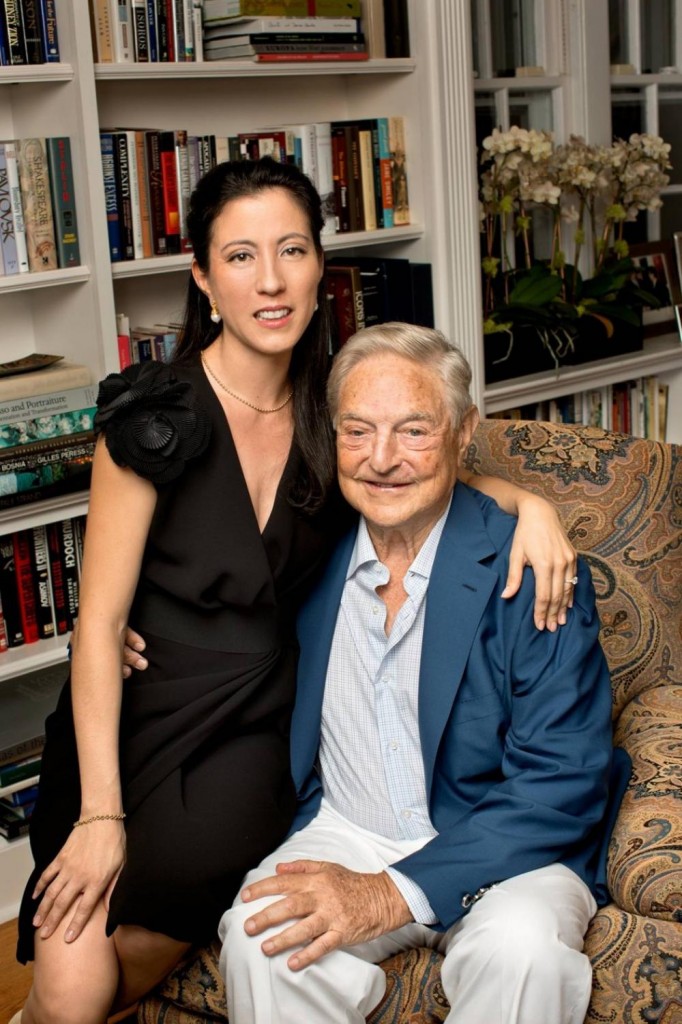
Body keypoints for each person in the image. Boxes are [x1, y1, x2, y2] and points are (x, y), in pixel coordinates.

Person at [15, 158, 575, 1024]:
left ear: (321, 267)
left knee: (114, 973)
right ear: (204, 279)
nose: (271, 281)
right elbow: (100, 624)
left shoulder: (338, 412)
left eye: (292, 250)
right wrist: (99, 818)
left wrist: (533, 507)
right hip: (135, 713)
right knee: (69, 985)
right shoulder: (154, 416)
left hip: (255, 730)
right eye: (240, 257)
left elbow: (433, 472)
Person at [219, 322, 631, 1024]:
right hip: (350, 827)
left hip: (507, 846)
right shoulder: (305, 551)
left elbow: (562, 779)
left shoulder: (533, 569)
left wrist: (389, 894)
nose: (381, 459)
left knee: (523, 952)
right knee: (262, 940)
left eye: (413, 430)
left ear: (463, 433)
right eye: (358, 431)